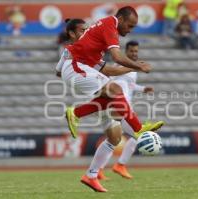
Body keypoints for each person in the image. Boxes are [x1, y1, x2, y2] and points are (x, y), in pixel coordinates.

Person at [56, 6, 164, 192]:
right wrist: (138, 66)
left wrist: (133, 68)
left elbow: (108, 69)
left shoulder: (95, 44)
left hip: (81, 70)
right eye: (130, 25)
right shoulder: (109, 26)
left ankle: (91, 175)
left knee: (114, 137)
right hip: (77, 69)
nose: (130, 30)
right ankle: (137, 128)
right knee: (114, 88)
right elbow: (116, 57)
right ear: (120, 19)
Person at [98, 40, 155, 180]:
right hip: (120, 108)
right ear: (126, 51)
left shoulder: (131, 69)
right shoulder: (120, 66)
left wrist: (142, 89)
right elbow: (111, 80)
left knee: (113, 140)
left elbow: (130, 85)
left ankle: (98, 170)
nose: (134, 53)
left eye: (136, 51)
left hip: (121, 108)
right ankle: (120, 165)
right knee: (139, 134)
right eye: (132, 51)